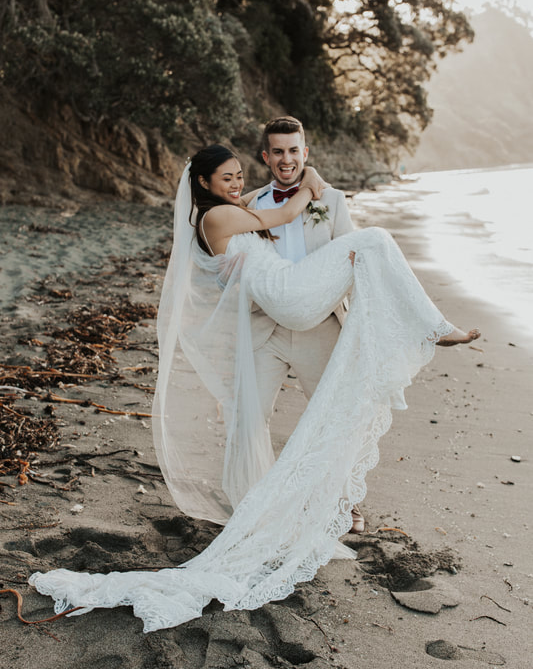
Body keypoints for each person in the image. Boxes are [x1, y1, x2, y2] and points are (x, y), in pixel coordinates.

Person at [29, 144, 480, 633]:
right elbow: (287, 211)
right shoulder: (217, 217)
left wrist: (299, 204)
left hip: (288, 297)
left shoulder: (234, 212)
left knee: (367, 245)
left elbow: (268, 234)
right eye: (226, 177)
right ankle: (430, 327)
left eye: (240, 174)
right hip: (286, 297)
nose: (237, 183)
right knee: (373, 242)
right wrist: (310, 179)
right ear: (202, 183)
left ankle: (411, 332)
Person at [247, 116, 365, 532]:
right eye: (277, 151)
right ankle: (253, 496)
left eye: (294, 150)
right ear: (266, 156)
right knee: (249, 413)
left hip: (321, 325)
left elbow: (351, 256)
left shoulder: (331, 200)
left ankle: (344, 500)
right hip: (267, 328)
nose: (286, 159)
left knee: (334, 415)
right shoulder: (251, 205)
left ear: (305, 153)